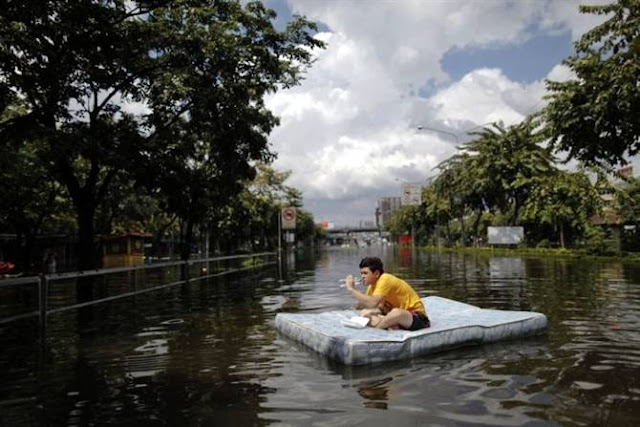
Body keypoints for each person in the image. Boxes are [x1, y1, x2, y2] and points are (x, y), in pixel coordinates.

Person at [344, 256, 430, 331]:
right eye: (361, 273)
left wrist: (351, 289)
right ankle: (390, 325)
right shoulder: (372, 287)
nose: (362, 276)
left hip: (417, 317)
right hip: (395, 318)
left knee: (396, 313)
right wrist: (356, 311)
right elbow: (363, 305)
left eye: (365, 273)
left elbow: (372, 302)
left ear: (376, 273)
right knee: (365, 313)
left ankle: (378, 328)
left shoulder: (385, 279)